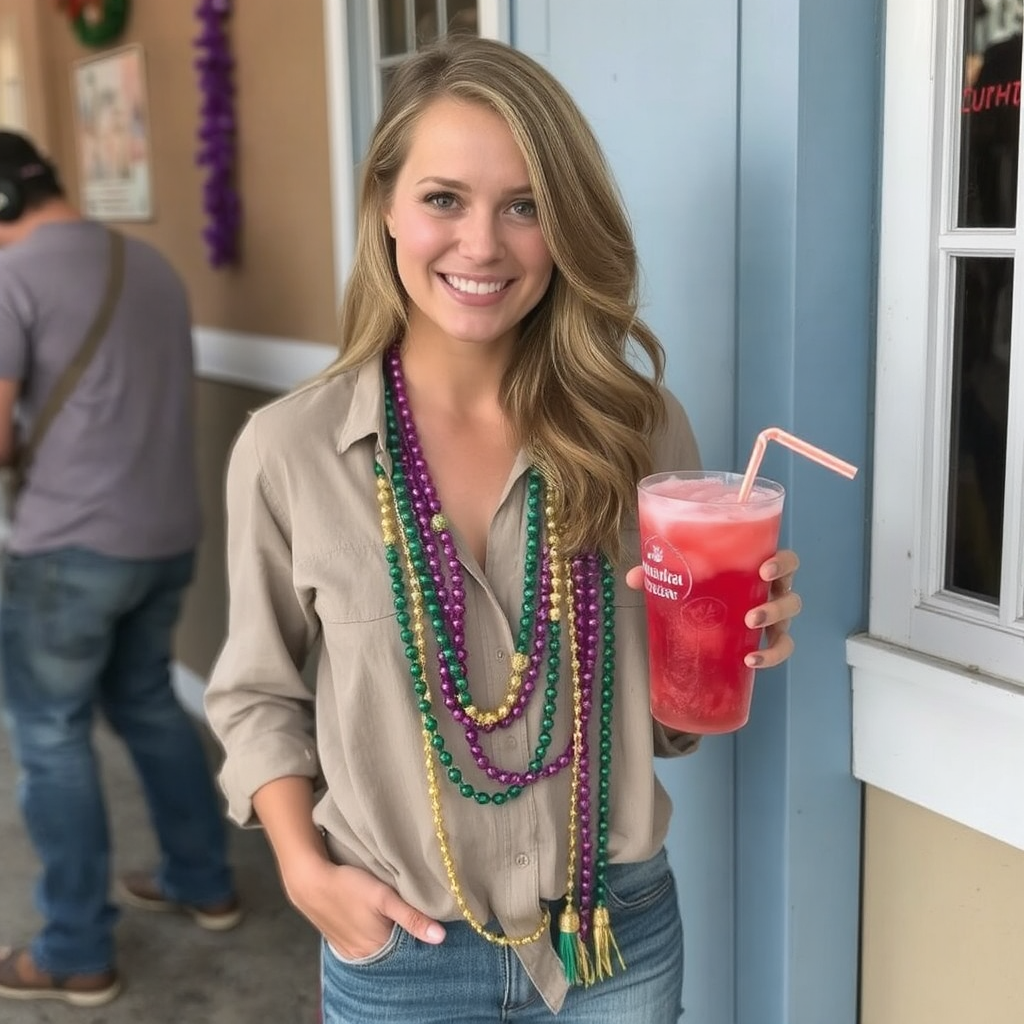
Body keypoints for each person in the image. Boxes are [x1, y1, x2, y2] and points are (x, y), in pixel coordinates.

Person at [204, 37, 801, 1023]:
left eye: (524, 205)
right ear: (387, 208)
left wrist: (727, 646)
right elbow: (256, 694)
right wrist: (305, 872)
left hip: (614, 936)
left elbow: (660, 723)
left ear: (563, 227)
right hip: (401, 951)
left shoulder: (639, 431)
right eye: (444, 198)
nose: (482, 243)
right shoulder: (288, 449)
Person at [0, 131, 241, 1009]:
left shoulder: (12, 280)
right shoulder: (152, 266)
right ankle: (202, 878)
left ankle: (73, 948)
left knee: (51, 735)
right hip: (166, 536)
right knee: (145, 701)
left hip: (68, 551)